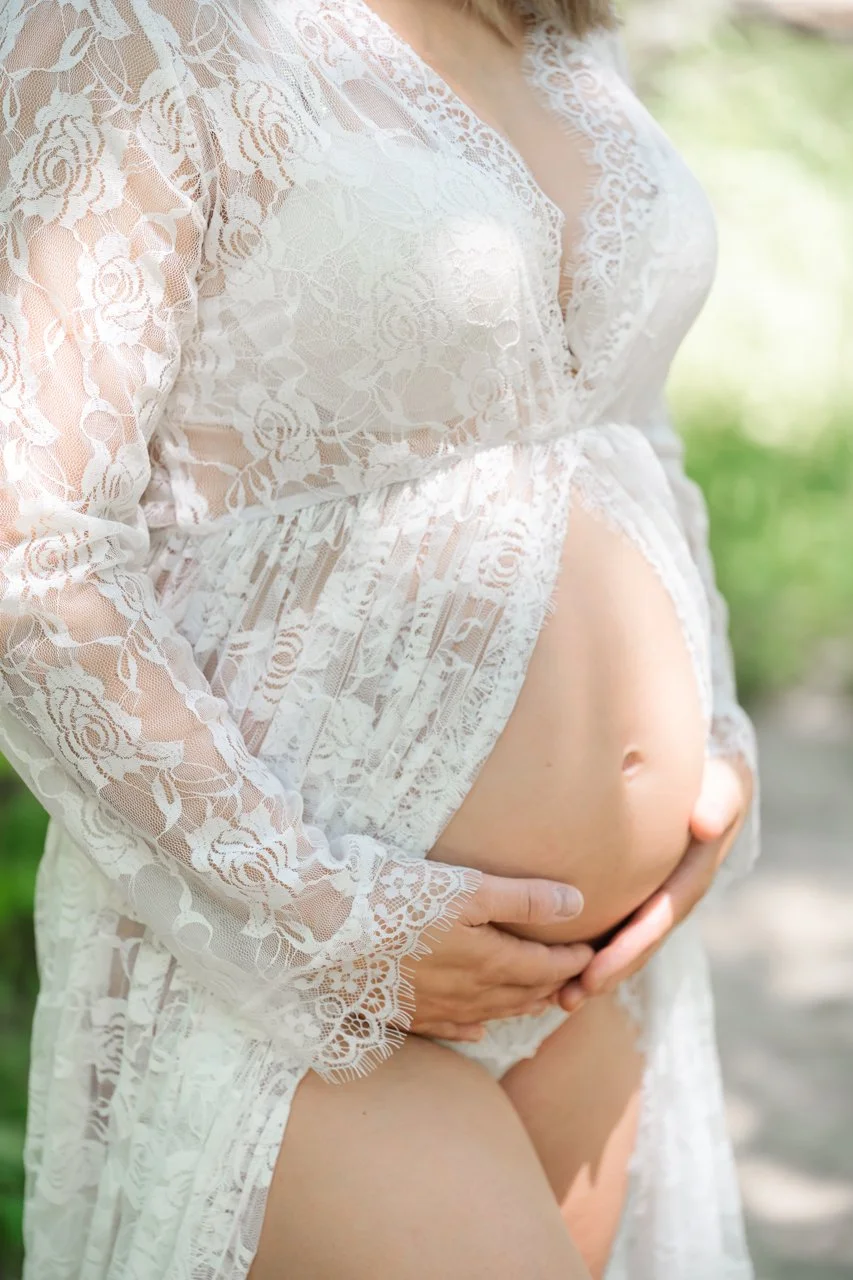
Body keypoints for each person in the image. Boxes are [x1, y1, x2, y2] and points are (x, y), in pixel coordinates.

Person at [0, 0, 759, 1276]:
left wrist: (716, 743)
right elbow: (32, 551)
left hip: (591, 985)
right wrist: (328, 915)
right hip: (301, 981)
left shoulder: (557, 26)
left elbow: (630, 431)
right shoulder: (132, 24)